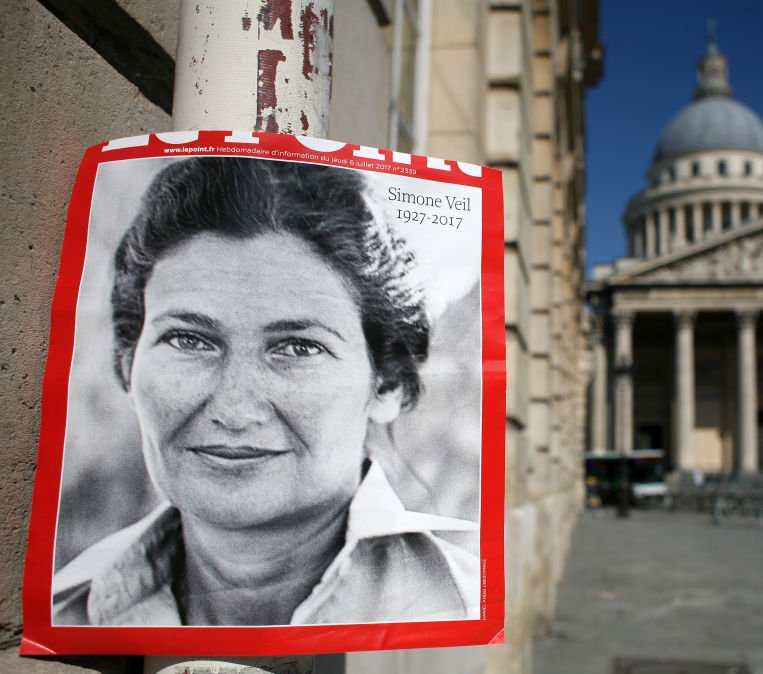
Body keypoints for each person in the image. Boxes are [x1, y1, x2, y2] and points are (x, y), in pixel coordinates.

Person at [52, 157, 480, 626]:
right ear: (127, 365)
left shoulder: (458, 608)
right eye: (188, 340)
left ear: (388, 382)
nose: (235, 410)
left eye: (298, 347)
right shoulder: (69, 613)